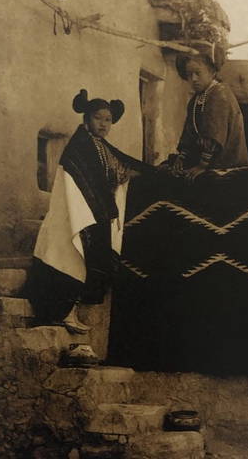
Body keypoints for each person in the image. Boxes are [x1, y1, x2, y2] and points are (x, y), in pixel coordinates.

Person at [25, 89, 150, 334]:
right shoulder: (80, 146)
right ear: (86, 119)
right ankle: (61, 313)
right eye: (98, 118)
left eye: (108, 120)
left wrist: (143, 173)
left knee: (82, 264)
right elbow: (78, 179)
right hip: (73, 212)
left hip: (90, 213)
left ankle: (69, 312)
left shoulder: (101, 146)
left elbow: (117, 170)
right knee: (69, 260)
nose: (103, 124)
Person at [164, 41, 248, 181]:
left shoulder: (219, 94)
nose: (193, 79)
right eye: (189, 74)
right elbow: (189, 133)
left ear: (212, 72)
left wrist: (202, 166)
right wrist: (182, 157)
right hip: (207, 160)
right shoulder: (196, 99)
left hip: (226, 163)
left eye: (198, 73)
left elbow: (214, 133)